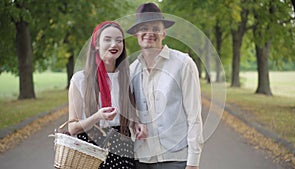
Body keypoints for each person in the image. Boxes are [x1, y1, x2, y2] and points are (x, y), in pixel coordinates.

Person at [128, 3, 203, 169]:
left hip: (176, 159)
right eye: (144, 28)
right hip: (142, 158)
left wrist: (193, 162)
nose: (150, 33)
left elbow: (194, 116)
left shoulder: (183, 64)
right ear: (136, 33)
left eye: (156, 28)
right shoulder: (131, 70)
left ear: (164, 32)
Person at [68, 21, 136, 169]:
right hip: (90, 150)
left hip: (123, 149)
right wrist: (97, 116)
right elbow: (72, 128)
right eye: (107, 39)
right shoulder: (80, 80)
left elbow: (129, 119)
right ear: (96, 44)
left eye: (119, 40)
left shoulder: (126, 78)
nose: (114, 44)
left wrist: (138, 124)